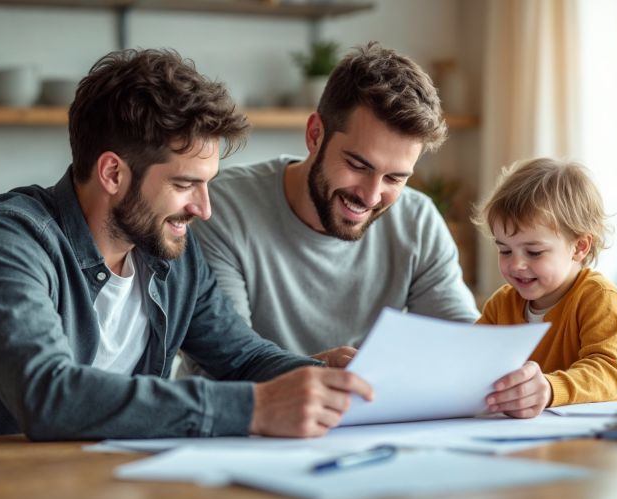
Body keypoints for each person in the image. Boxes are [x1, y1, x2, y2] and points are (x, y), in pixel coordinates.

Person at [0, 49, 371, 443]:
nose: (204, 208)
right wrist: (256, 407)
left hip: (95, 487)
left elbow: (243, 358)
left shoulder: (167, 251)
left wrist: (321, 379)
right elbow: (48, 396)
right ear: (112, 173)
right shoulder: (4, 239)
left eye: (208, 185)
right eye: (186, 184)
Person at [182, 43, 479, 377]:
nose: (370, 196)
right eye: (357, 165)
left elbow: (462, 349)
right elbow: (225, 362)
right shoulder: (218, 208)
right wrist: (313, 372)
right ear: (314, 135)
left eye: (394, 178)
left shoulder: (417, 220)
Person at [473, 158, 617, 418]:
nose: (516, 265)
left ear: (579, 247)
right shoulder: (502, 304)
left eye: (533, 252)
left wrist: (549, 388)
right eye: (505, 250)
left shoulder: (598, 297)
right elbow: (471, 363)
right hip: (543, 434)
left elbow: (605, 372)